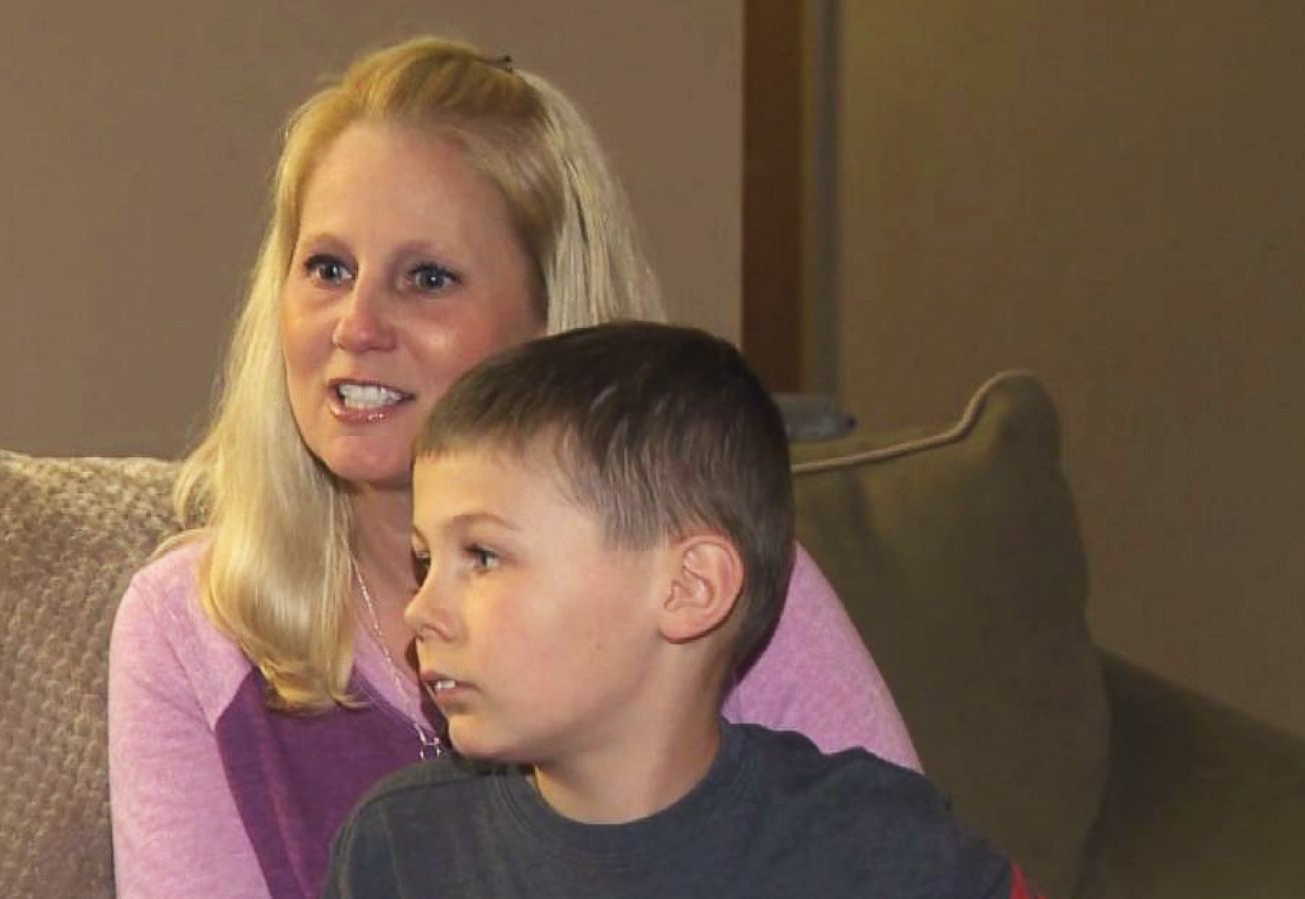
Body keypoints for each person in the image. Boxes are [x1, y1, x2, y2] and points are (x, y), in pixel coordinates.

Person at [108, 36, 916, 899]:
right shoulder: (187, 631)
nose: (355, 325)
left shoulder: (707, 569)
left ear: (550, 326)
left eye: (427, 277)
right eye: (327, 268)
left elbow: (901, 859)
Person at [324, 322, 1037, 898]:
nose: (420, 608)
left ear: (690, 587)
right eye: (424, 561)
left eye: (482, 556)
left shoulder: (877, 846)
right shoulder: (401, 851)